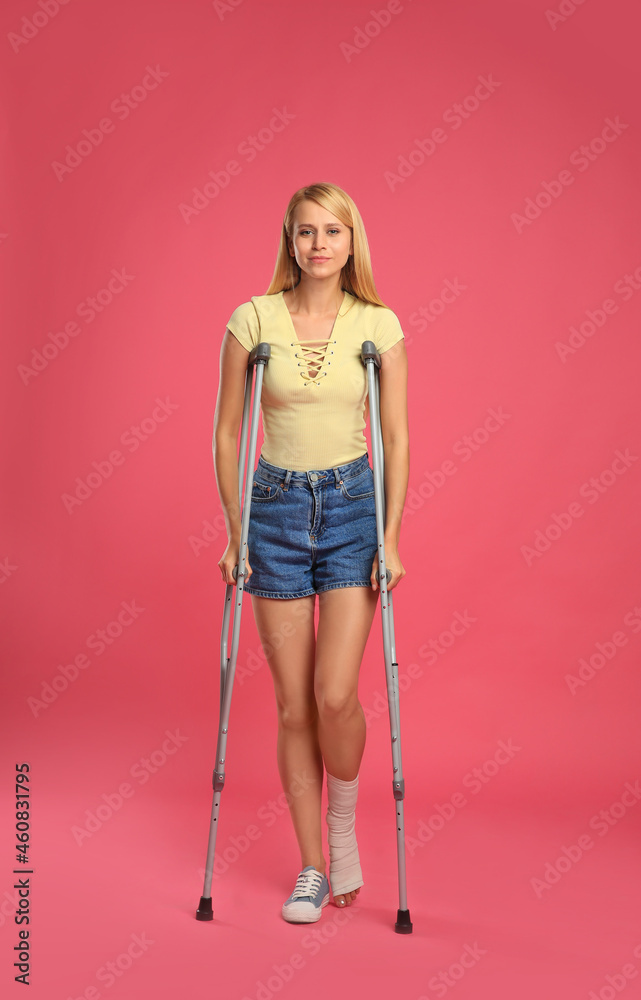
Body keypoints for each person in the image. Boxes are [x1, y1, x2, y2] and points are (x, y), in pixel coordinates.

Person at [213, 182, 409, 923]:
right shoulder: (251, 320)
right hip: (275, 511)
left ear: (351, 242)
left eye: (332, 232)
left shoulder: (378, 326)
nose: (319, 245)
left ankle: (342, 830)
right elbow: (229, 432)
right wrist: (235, 532)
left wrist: (390, 538)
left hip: (352, 509)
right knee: (294, 707)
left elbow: (396, 438)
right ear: (288, 241)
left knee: (335, 695)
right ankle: (312, 867)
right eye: (305, 232)